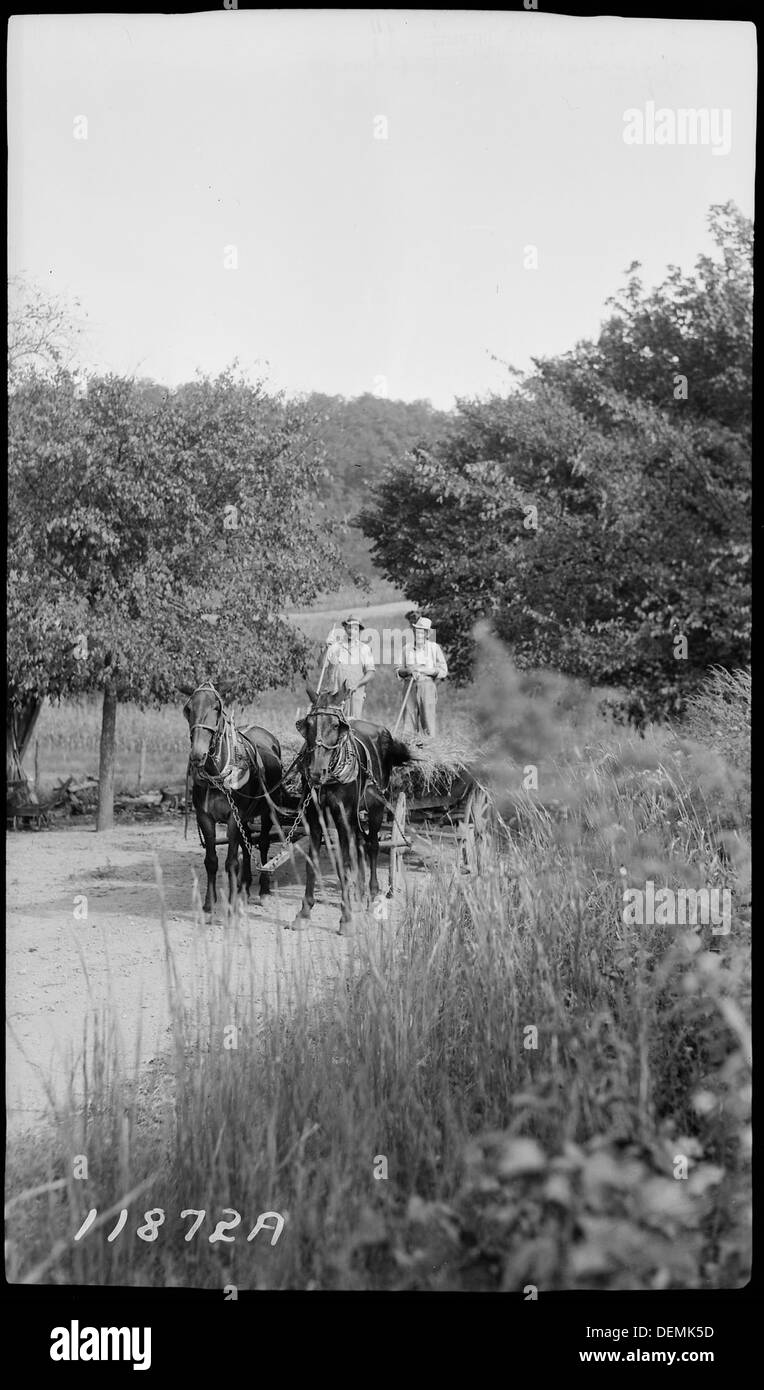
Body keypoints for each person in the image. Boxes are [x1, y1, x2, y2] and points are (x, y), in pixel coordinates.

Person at [397, 616, 448, 737]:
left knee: (428, 724)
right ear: (414, 632)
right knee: (408, 726)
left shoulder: (434, 648)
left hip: (427, 687)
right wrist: (409, 670)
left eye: (422, 631)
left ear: (427, 634)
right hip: (409, 687)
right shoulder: (406, 649)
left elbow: (443, 671)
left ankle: (429, 752)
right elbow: (398, 671)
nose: (419, 634)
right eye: (417, 631)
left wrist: (424, 670)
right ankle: (409, 751)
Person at [324, 615, 375, 718]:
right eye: (349, 628)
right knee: (334, 725)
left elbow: (371, 673)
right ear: (345, 628)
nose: (352, 631)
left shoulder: (365, 649)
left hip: (354, 694)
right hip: (335, 695)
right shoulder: (335, 646)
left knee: (353, 726)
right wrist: (326, 648)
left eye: (355, 629)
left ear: (359, 631)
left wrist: (357, 684)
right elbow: (321, 664)